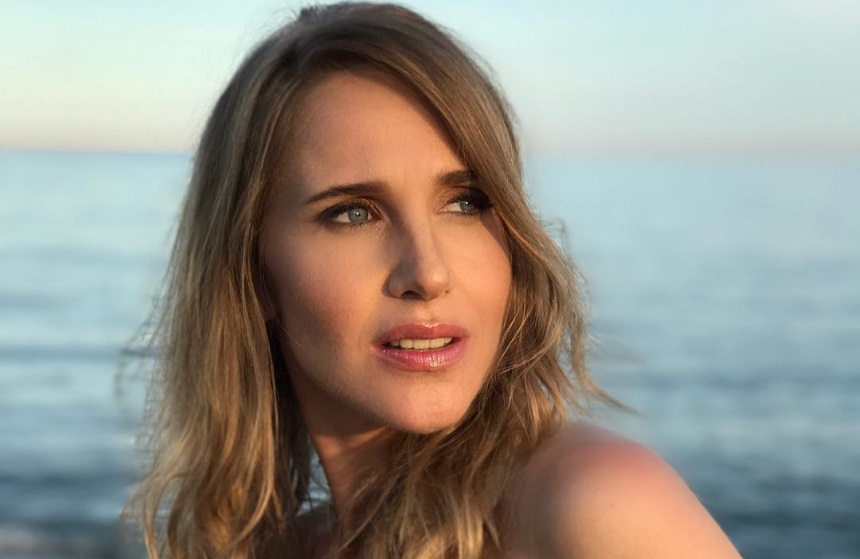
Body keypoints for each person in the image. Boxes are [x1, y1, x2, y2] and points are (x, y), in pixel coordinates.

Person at [126, 3, 742, 558]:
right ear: (253, 270)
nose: (428, 272)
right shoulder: (277, 549)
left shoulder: (593, 501)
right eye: (354, 213)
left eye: (466, 202)